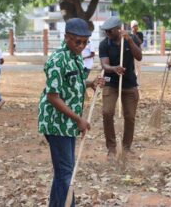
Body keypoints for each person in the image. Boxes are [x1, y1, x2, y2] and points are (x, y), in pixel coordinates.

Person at [38, 18, 104, 207]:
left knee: (63, 171)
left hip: (68, 123)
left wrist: (91, 83)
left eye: (85, 42)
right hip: (57, 122)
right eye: (78, 41)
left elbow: (73, 82)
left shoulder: (74, 56)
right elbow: (53, 96)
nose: (82, 46)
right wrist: (78, 119)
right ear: (66, 37)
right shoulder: (58, 60)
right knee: (66, 172)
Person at [99, 17, 142, 158]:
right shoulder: (104, 44)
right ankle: (111, 148)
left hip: (129, 83)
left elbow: (139, 57)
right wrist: (113, 68)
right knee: (107, 112)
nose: (107, 33)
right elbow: (104, 65)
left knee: (129, 116)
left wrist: (129, 40)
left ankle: (126, 147)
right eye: (105, 31)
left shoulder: (131, 40)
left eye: (110, 31)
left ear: (118, 29)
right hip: (111, 82)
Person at [130, 20, 144, 86]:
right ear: (131, 27)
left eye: (136, 26)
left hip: (138, 54)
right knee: (132, 68)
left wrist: (135, 35)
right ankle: (133, 82)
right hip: (130, 54)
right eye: (134, 26)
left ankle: (138, 83)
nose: (135, 28)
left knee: (138, 69)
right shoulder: (129, 35)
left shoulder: (140, 34)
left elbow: (140, 42)